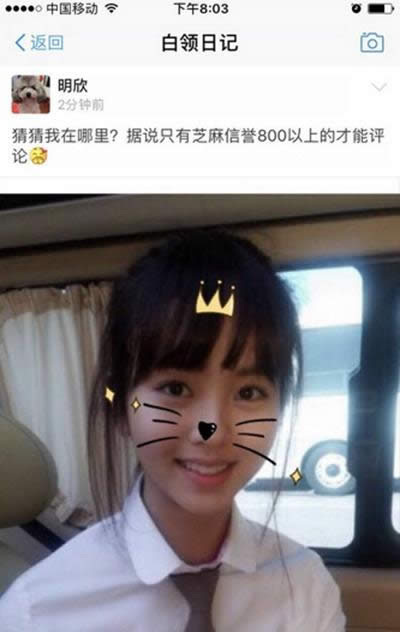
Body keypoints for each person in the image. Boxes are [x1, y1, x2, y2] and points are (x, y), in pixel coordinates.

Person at [0, 228, 346, 631]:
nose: (212, 430)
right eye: (175, 388)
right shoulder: (37, 611)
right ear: (120, 406)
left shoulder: (305, 587)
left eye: (249, 392)